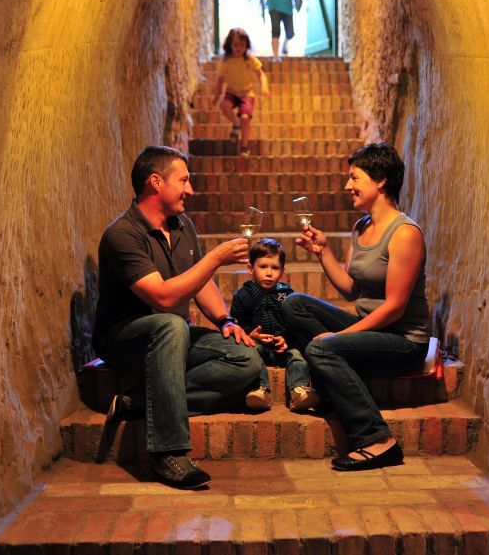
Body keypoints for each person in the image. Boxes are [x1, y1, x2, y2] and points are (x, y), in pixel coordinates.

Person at [93, 145, 263, 489]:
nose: (191, 189)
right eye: (184, 180)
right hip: (126, 338)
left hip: (174, 337)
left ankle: (140, 402)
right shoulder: (122, 235)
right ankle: (167, 454)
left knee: (245, 358)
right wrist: (214, 258)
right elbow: (164, 296)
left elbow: (200, 283)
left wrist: (225, 322)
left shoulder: (182, 225)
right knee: (170, 322)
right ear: (156, 182)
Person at [281, 143, 431, 471]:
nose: (347, 186)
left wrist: (338, 338)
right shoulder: (361, 227)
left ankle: (378, 439)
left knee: (321, 351)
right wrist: (323, 252)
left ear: (380, 181)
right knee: (293, 304)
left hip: (402, 340)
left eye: (354, 178)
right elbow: (351, 290)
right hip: (370, 328)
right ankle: (337, 365)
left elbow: (393, 308)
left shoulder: (405, 233)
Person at [230, 238, 321, 412]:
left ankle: (299, 390)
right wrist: (250, 335)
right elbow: (236, 323)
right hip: (257, 344)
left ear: (282, 271)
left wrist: (286, 339)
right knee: (250, 353)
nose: (269, 273)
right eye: (263, 267)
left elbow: (295, 322)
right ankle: (260, 389)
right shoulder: (244, 295)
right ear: (250, 268)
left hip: (282, 346)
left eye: (275, 268)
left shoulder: (285, 294)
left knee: (297, 354)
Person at [213, 28, 268, 156]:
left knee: (245, 118)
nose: (239, 48)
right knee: (224, 105)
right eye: (236, 45)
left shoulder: (249, 59)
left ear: (247, 46)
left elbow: (261, 75)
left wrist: (265, 87)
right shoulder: (226, 61)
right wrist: (216, 97)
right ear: (229, 45)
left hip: (247, 93)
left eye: (242, 45)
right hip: (231, 92)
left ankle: (244, 146)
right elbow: (219, 80)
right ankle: (236, 124)